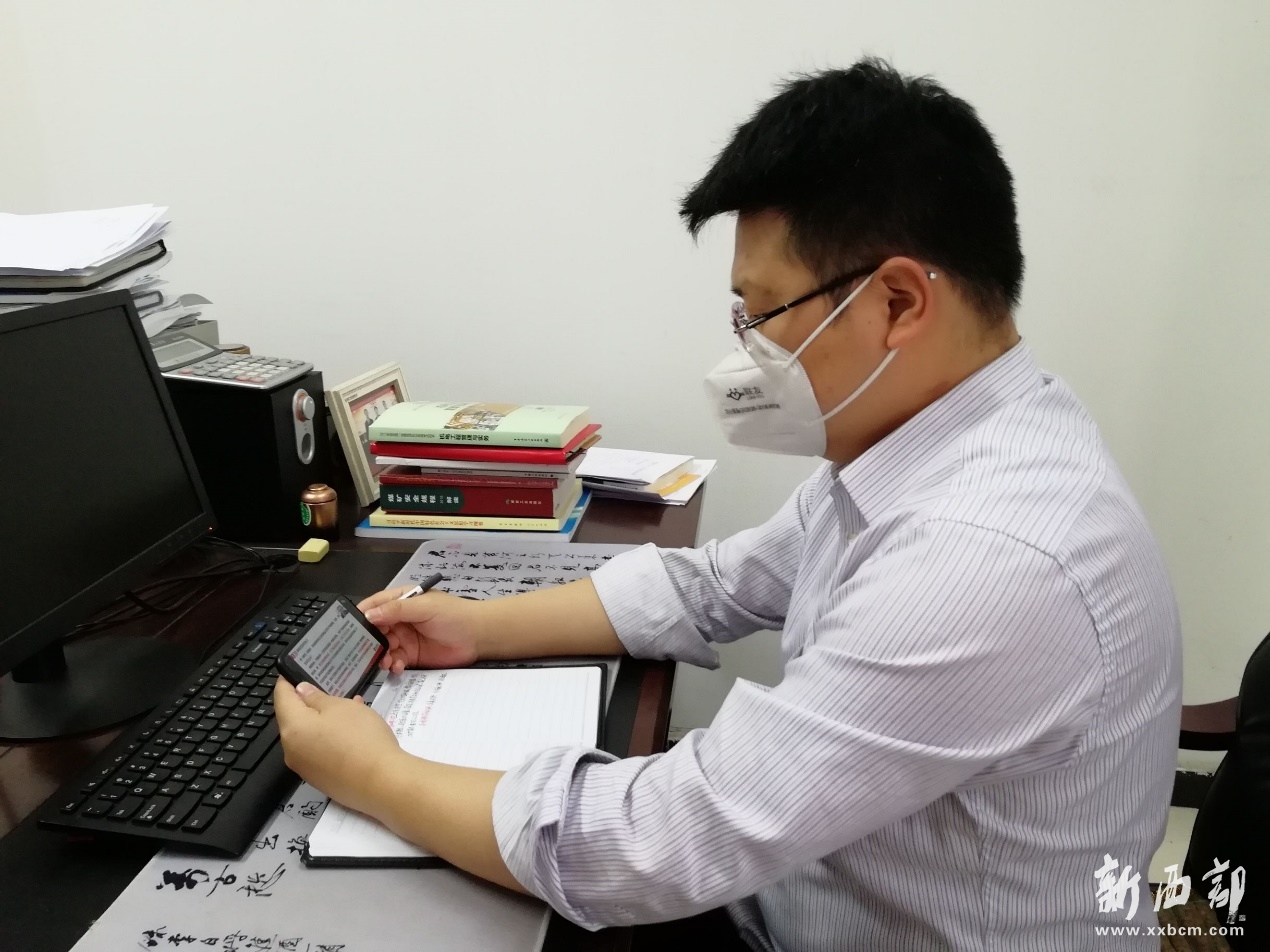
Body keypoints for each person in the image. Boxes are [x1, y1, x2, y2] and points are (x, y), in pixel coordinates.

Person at [275, 58, 1181, 950]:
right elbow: (714, 586)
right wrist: (479, 627)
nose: (749, 351)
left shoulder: (984, 554)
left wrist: (376, 773)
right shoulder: (931, 446)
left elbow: (654, 848)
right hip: (802, 896)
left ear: (899, 302)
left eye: (765, 312)